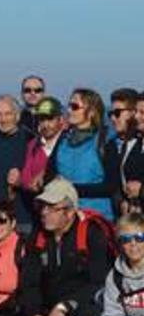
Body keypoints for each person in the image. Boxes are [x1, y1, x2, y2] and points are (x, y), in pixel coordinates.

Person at [20, 178, 111, 316]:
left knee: (89, 312)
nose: (44, 212)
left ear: (69, 212)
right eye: (42, 206)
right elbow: (29, 285)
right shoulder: (38, 236)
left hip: (81, 308)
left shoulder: (92, 234)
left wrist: (63, 308)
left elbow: (99, 283)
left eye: (52, 207)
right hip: (49, 312)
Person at [49, 88, 116, 220]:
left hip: (96, 218)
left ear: (91, 112)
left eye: (74, 107)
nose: (68, 111)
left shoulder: (105, 140)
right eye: (68, 106)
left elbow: (110, 186)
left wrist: (72, 189)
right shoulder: (63, 138)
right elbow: (49, 172)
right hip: (65, 218)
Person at [0, 95, 30, 228]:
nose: (3, 119)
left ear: (17, 116)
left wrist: (21, 181)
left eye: (8, 114)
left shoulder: (29, 141)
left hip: (21, 218)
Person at [20, 97, 64, 202]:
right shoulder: (33, 145)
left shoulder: (67, 143)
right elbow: (26, 177)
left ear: (60, 119)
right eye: (42, 119)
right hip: (38, 206)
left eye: (50, 119)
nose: (46, 125)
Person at [106, 88, 141, 214]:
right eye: (110, 114)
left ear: (133, 113)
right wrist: (121, 202)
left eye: (117, 113)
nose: (113, 119)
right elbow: (112, 185)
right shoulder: (110, 146)